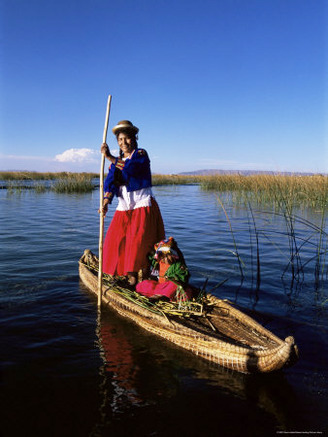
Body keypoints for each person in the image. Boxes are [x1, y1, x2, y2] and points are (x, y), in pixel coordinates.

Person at [99, 120, 165, 285]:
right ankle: (124, 275)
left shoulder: (141, 155)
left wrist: (109, 157)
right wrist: (106, 201)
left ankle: (134, 279)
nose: (123, 143)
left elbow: (131, 169)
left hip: (142, 204)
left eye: (126, 138)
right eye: (120, 140)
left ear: (134, 137)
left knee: (137, 243)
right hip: (124, 207)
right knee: (115, 240)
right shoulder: (115, 163)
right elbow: (111, 184)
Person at [136, 237, 193, 301]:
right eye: (163, 256)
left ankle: (161, 296)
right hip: (160, 286)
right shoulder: (157, 262)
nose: (166, 259)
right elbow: (149, 257)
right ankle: (158, 295)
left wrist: (172, 278)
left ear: (174, 255)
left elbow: (183, 276)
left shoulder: (178, 265)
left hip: (171, 290)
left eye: (168, 256)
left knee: (173, 285)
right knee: (143, 284)